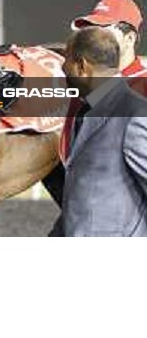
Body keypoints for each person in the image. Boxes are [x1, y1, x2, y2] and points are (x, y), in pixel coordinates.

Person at [56, 26, 147, 236]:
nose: (62, 67)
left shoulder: (134, 115)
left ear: (81, 66)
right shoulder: (86, 111)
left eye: (66, 60)